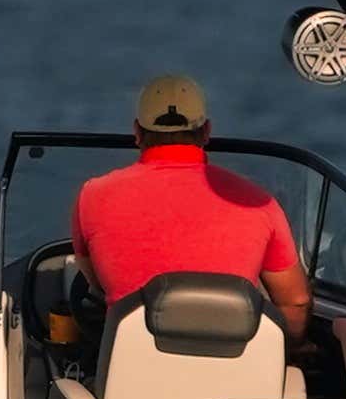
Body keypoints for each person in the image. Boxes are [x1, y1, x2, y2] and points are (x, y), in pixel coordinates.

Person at [72, 74, 311, 348]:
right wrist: (291, 351)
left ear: (137, 132)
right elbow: (295, 302)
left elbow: (98, 284)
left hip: (132, 383)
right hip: (239, 384)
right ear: (207, 131)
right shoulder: (258, 202)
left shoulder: (92, 196)